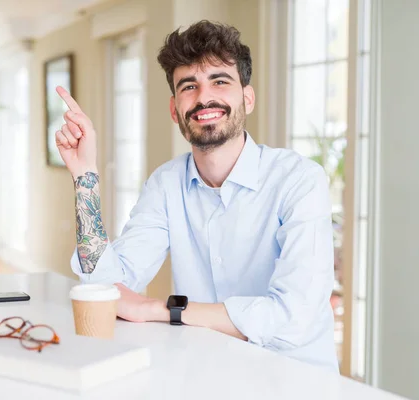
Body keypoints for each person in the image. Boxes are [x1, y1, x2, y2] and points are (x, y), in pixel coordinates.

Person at [54, 20, 338, 372]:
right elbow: (107, 287)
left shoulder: (299, 180)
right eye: (189, 86)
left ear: (246, 99)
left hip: (296, 381)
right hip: (206, 374)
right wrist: (85, 177)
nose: (204, 97)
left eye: (220, 81)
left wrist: (165, 310)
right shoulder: (166, 184)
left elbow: (293, 318)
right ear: (175, 110)